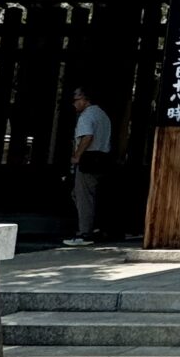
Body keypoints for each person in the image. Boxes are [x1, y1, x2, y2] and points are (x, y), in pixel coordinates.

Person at [65, 86, 112, 244]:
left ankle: (85, 232)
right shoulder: (103, 115)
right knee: (93, 195)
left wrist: (77, 155)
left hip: (89, 158)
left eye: (76, 99)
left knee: (84, 195)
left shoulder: (86, 116)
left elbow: (87, 136)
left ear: (85, 99)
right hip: (103, 157)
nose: (74, 103)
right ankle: (97, 227)